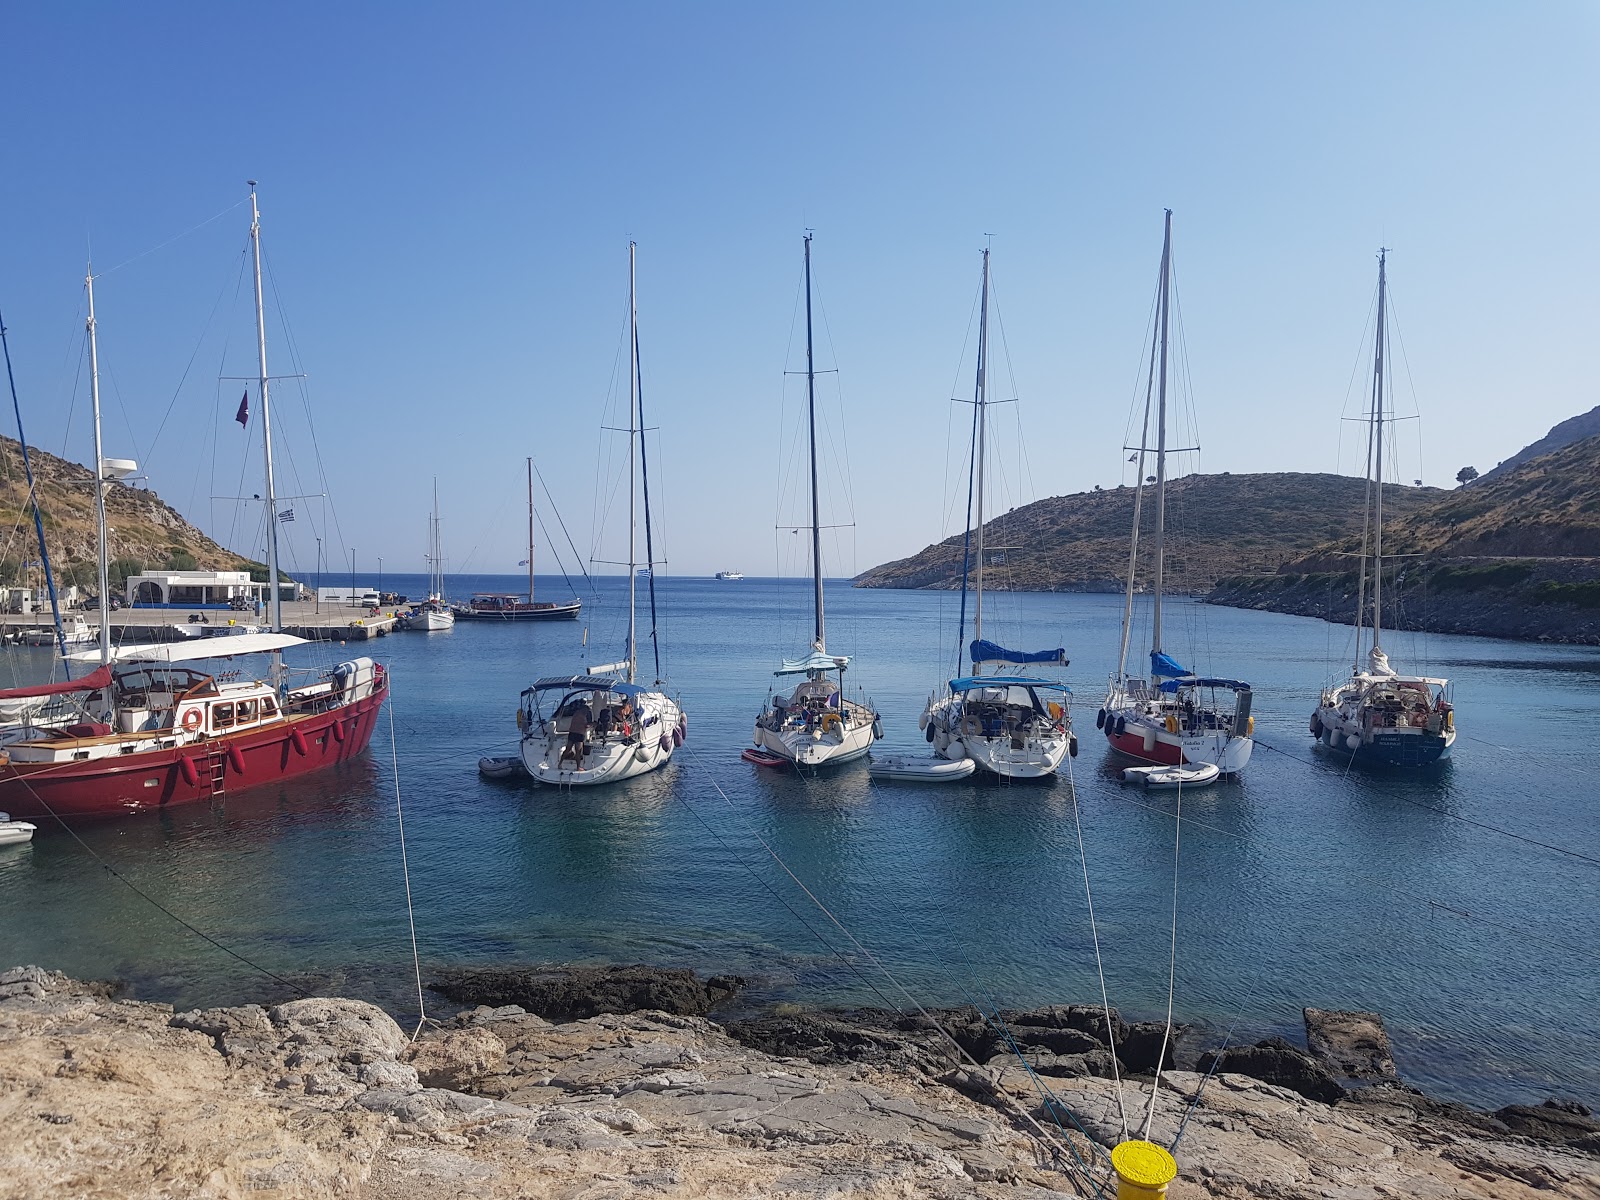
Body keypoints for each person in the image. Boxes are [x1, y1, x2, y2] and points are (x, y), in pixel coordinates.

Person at [560, 700, 592, 768]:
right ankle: (578, 767)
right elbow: (586, 725)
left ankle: (560, 763)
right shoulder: (584, 716)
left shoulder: (576, 713)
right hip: (579, 734)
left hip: (572, 733)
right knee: (578, 751)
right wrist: (593, 724)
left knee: (567, 749)